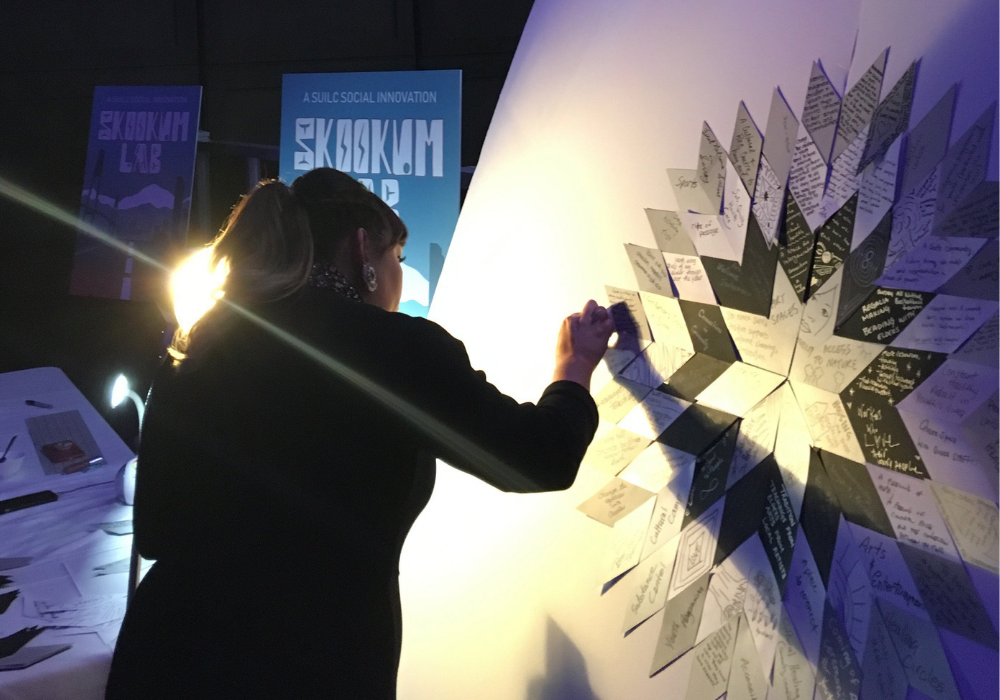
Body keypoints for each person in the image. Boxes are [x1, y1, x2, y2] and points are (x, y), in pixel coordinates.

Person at [106, 168, 616, 699]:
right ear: (363, 251)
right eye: (397, 257)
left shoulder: (205, 338)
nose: (399, 274)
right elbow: (539, 457)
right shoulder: (391, 347)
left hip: (167, 656)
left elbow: (157, 528)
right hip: (309, 665)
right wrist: (575, 368)